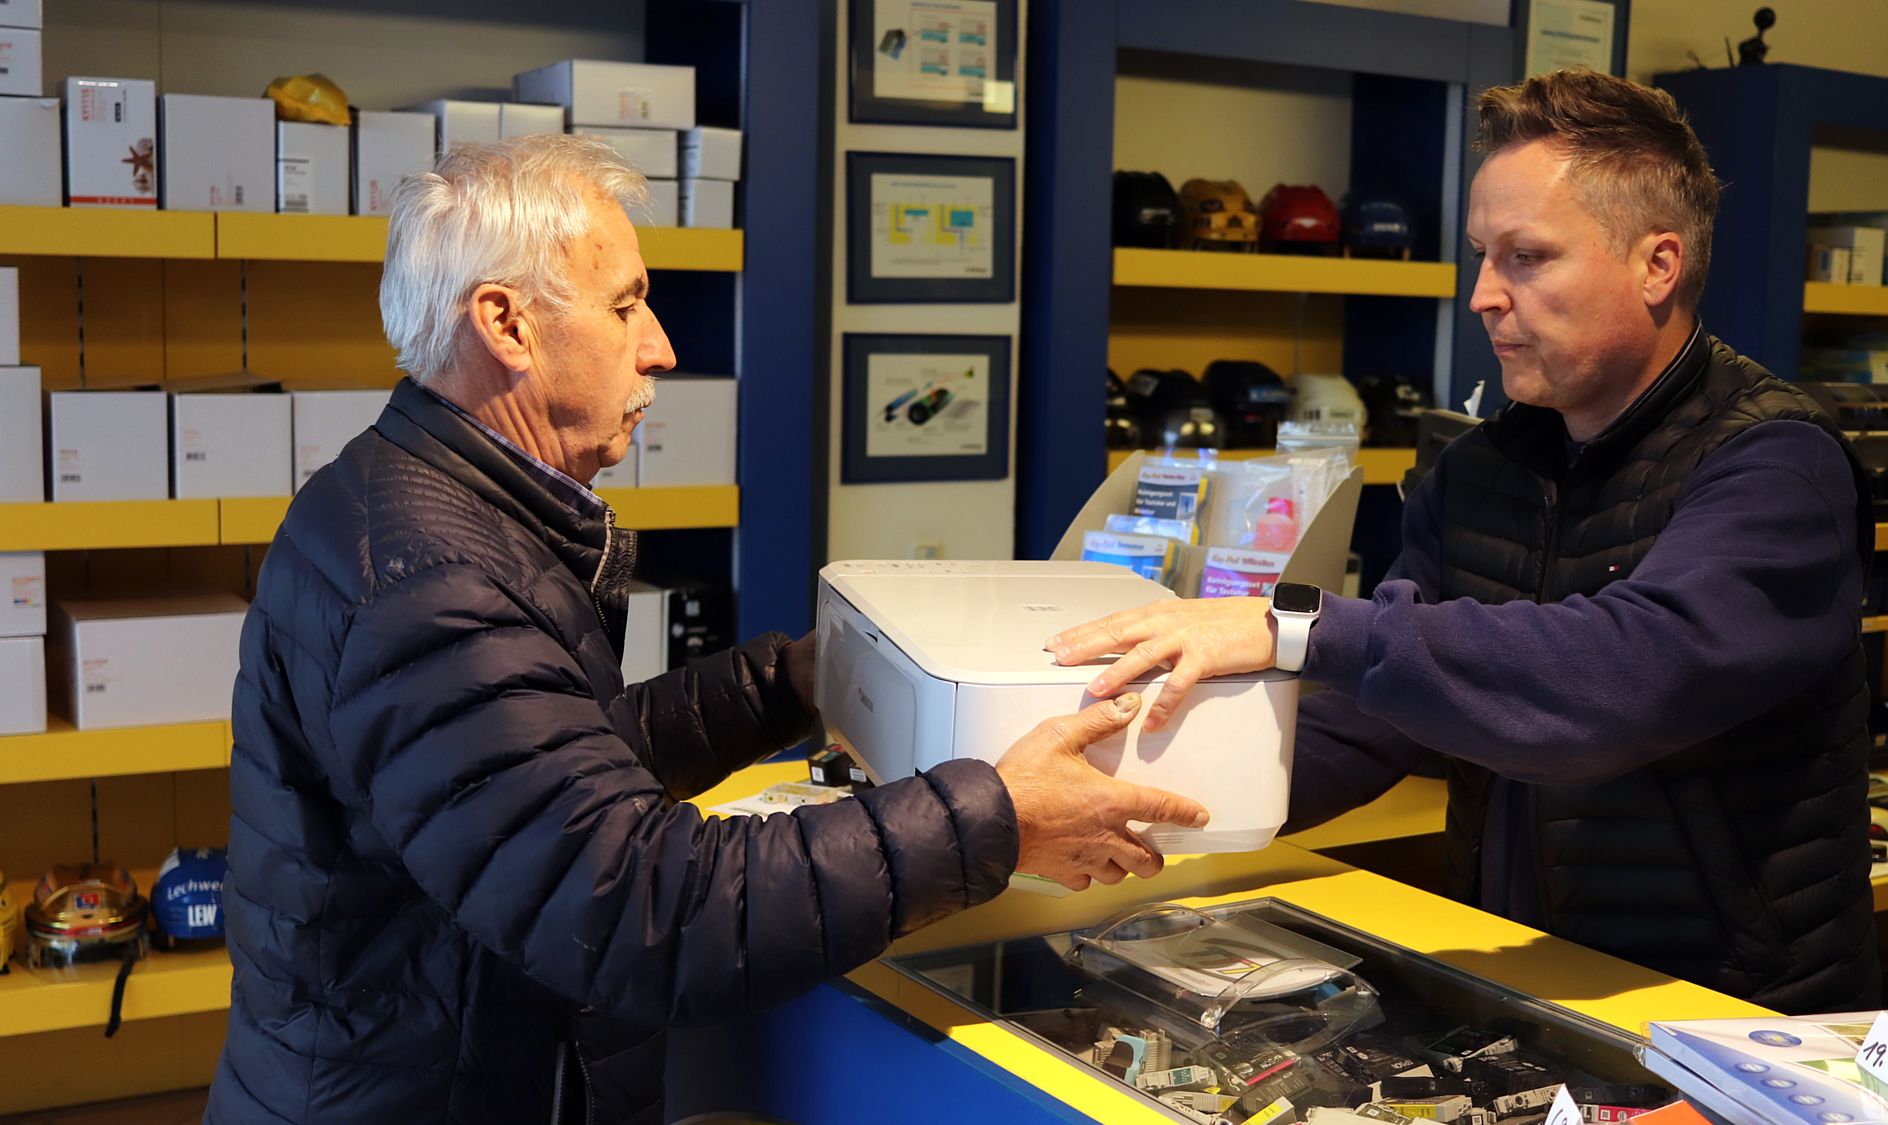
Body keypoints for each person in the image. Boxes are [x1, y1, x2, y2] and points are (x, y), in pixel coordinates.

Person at [208, 134, 1208, 1124]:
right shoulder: (432, 577)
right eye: (624, 305)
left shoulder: (428, 509)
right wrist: (992, 817)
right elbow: (641, 912)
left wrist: (796, 683)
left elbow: (550, 778)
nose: (659, 347)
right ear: (506, 325)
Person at [1048, 68, 1878, 1015]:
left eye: (1526, 257)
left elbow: (1627, 675)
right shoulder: (1482, 470)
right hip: (1534, 987)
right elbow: (1375, 717)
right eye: (1483, 254)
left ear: (1658, 265)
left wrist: (1298, 628)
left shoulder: (1776, 466)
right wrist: (1104, 796)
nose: (1484, 294)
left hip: (1737, 1024)